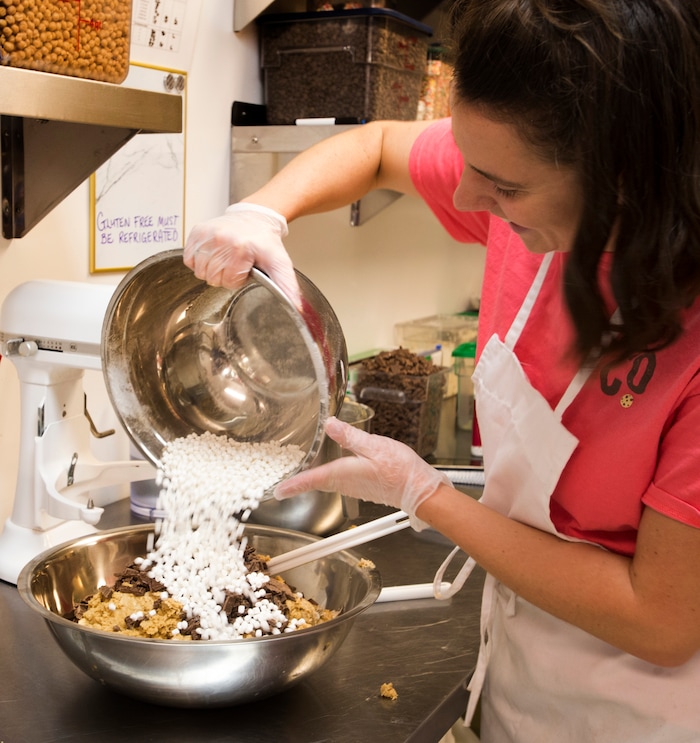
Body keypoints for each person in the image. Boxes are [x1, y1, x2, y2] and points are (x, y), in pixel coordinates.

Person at [184, 0, 700, 740]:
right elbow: (378, 146)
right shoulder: (514, 169)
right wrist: (261, 212)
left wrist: (423, 492)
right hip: (518, 673)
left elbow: (663, 619)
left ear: (625, 175)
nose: (466, 201)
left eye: (503, 188)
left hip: (644, 711)